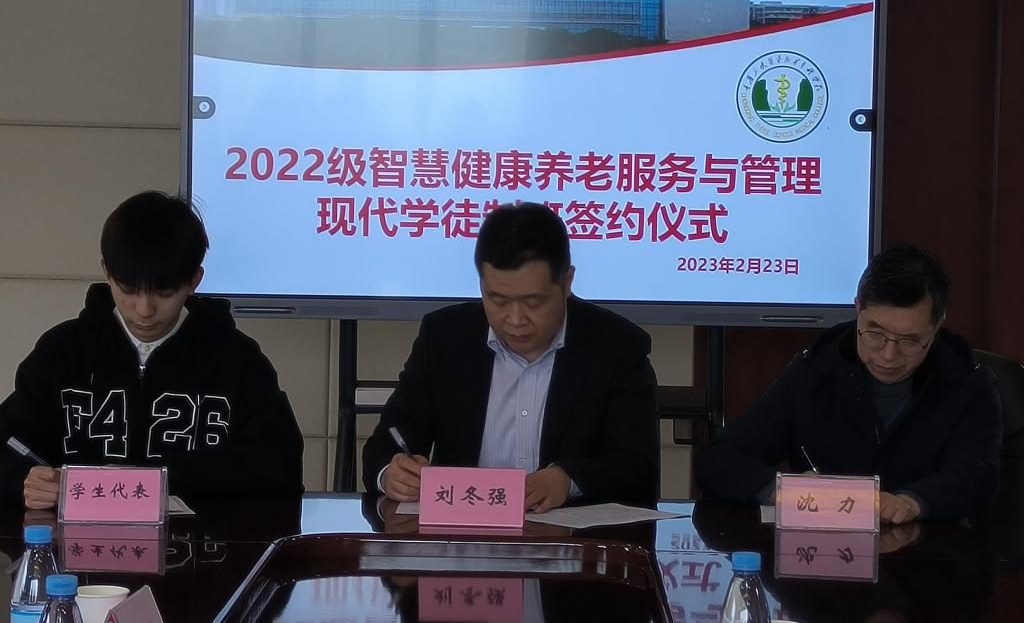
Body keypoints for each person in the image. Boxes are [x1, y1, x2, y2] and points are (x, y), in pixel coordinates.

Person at [0, 191, 304, 508]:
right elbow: (9, 446)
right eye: (128, 290)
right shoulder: (63, 352)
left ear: (194, 279)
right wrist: (23, 479)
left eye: (165, 292)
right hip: (77, 538)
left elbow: (279, 469)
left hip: (200, 539)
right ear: (106, 271)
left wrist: (155, 478)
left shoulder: (237, 360)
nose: (144, 310)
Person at [362, 202, 659, 512]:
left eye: (533, 302)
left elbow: (636, 466)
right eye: (498, 300)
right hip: (462, 534)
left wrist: (567, 479)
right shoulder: (445, 338)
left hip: (570, 536)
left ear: (567, 282)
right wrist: (391, 473)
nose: (515, 320)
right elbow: (387, 441)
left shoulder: (616, 346)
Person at [695, 245, 1001, 523]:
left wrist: (912, 502)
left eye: (910, 340)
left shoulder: (968, 384)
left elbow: (977, 477)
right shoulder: (816, 371)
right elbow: (718, 460)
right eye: (875, 333)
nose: (888, 355)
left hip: (926, 555)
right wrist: (781, 489)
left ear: (937, 325)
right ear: (858, 308)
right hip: (819, 554)